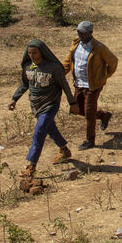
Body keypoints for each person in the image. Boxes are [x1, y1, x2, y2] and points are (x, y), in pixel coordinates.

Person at [9, 39, 80, 177]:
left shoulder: (53, 67)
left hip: (50, 104)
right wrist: (14, 99)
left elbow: (64, 85)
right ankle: (64, 149)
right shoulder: (28, 67)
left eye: (35, 53)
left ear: (42, 52)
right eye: (29, 53)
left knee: (39, 131)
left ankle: (31, 165)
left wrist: (72, 103)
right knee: (49, 127)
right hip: (36, 105)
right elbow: (24, 85)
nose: (32, 56)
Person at [65, 21, 118, 150]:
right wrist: (60, 73)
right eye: (78, 32)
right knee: (78, 109)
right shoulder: (75, 44)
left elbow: (113, 61)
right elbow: (68, 62)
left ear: (90, 33)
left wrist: (104, 76)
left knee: (89, 113)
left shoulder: (98, 47)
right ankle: (103, 115)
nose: (80, 35)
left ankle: (90, 140)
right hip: (79, 84)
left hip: (92, 86)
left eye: (83, 33)